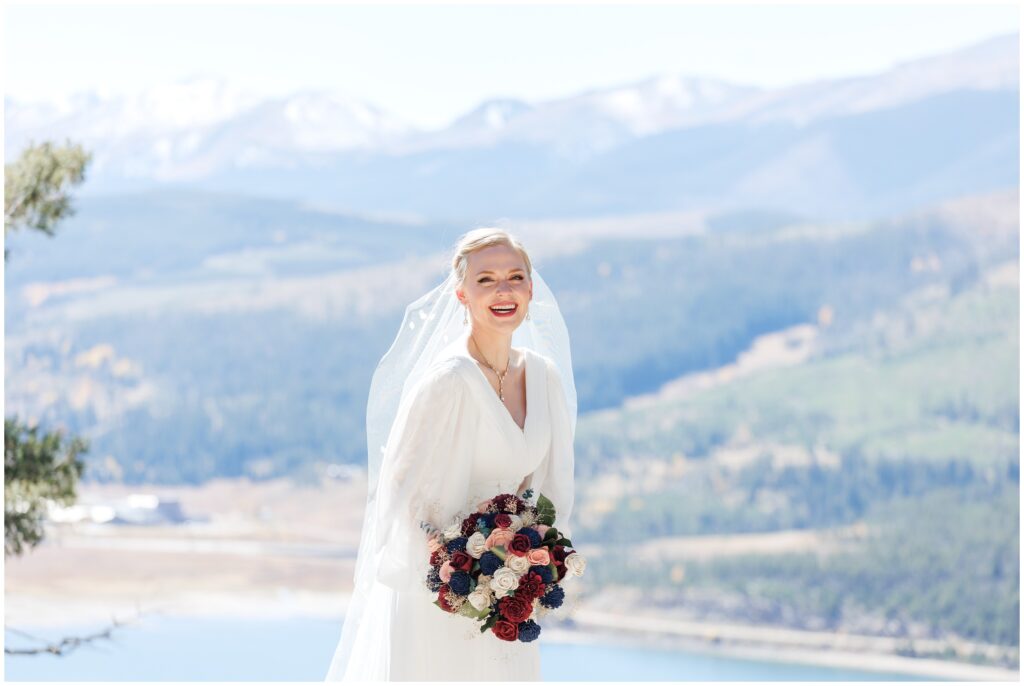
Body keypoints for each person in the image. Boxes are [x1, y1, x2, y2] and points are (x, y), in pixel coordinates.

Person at [324, 227, 578, 681]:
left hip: (507, 595)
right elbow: (401, 494)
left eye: (515, 277)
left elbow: (544, 489)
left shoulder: (544, 378)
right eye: (486, 280)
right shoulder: (447, 382)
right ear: (461, 294)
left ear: (531, 289)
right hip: (442, 595)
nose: (503, 290)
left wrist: (526, 558)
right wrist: (463, 560)